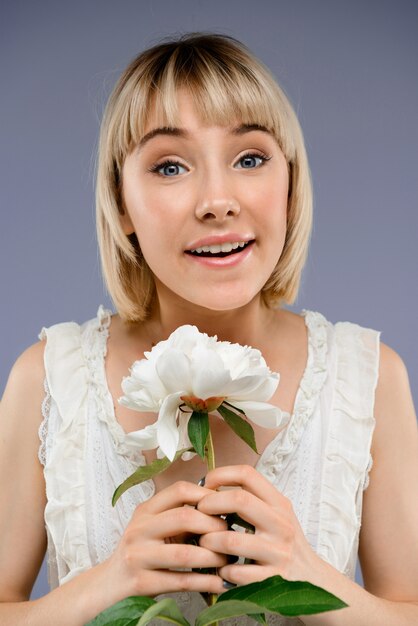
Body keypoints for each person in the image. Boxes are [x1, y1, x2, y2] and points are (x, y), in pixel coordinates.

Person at [0, 33, 417, 626]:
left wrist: (310, 573)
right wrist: (110, 581)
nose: (217, 201)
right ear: (121, 202)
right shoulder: (47, 378)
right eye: (170, 166)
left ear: (290, 185)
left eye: (250, 158)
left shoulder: (369, 379)